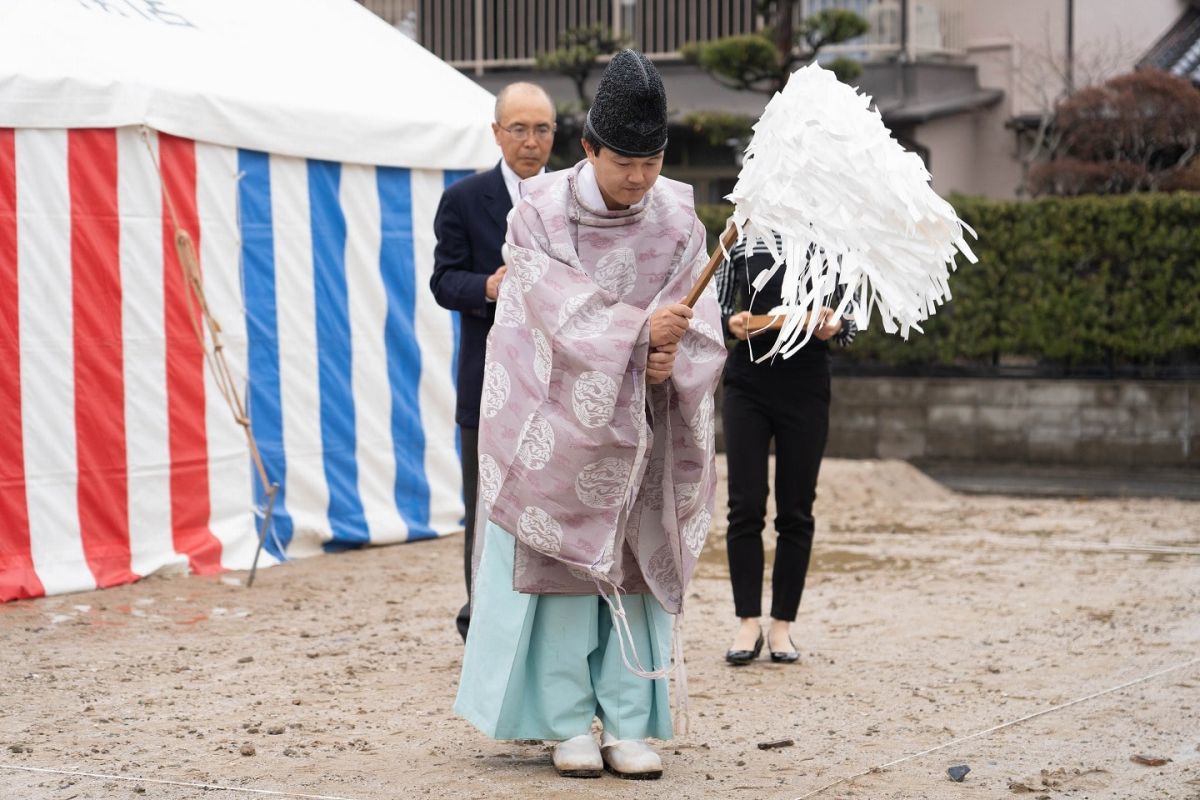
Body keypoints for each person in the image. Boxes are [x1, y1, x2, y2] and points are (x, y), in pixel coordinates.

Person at [453, 50, 727, 780]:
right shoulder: (539, 213)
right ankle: (566, 721)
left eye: (652, 160)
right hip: (559, 426)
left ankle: (632, 721)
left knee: (634, 571)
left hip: (643, 424)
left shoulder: (677, 218)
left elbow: (701, 323)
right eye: (624, 162)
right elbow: (544, 308)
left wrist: (675, 360)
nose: (639, 178)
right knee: (563, 578)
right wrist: (640, 336)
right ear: (589, 149)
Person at [430, 82, 556, 642]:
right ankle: (480, 620)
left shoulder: (572, 198)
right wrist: (487, 285)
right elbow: (442, 279)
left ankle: (546, 621)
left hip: (559, 382)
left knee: (552, 501)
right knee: (483, 503)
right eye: (520, 129)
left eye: (543, 129)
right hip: (487, 381)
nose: (531, 142)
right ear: (497, 132)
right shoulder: (463, 198)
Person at [714, 235, 855, 666]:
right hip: (749, 377)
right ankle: (747, 621)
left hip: (807, 381)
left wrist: (836, 326)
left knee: (796, 508)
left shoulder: (837, 241)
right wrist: (730, 325)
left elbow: (851, 322)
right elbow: (713, 310)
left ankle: (782, 626)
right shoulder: (739, 237)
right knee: (745, 503)